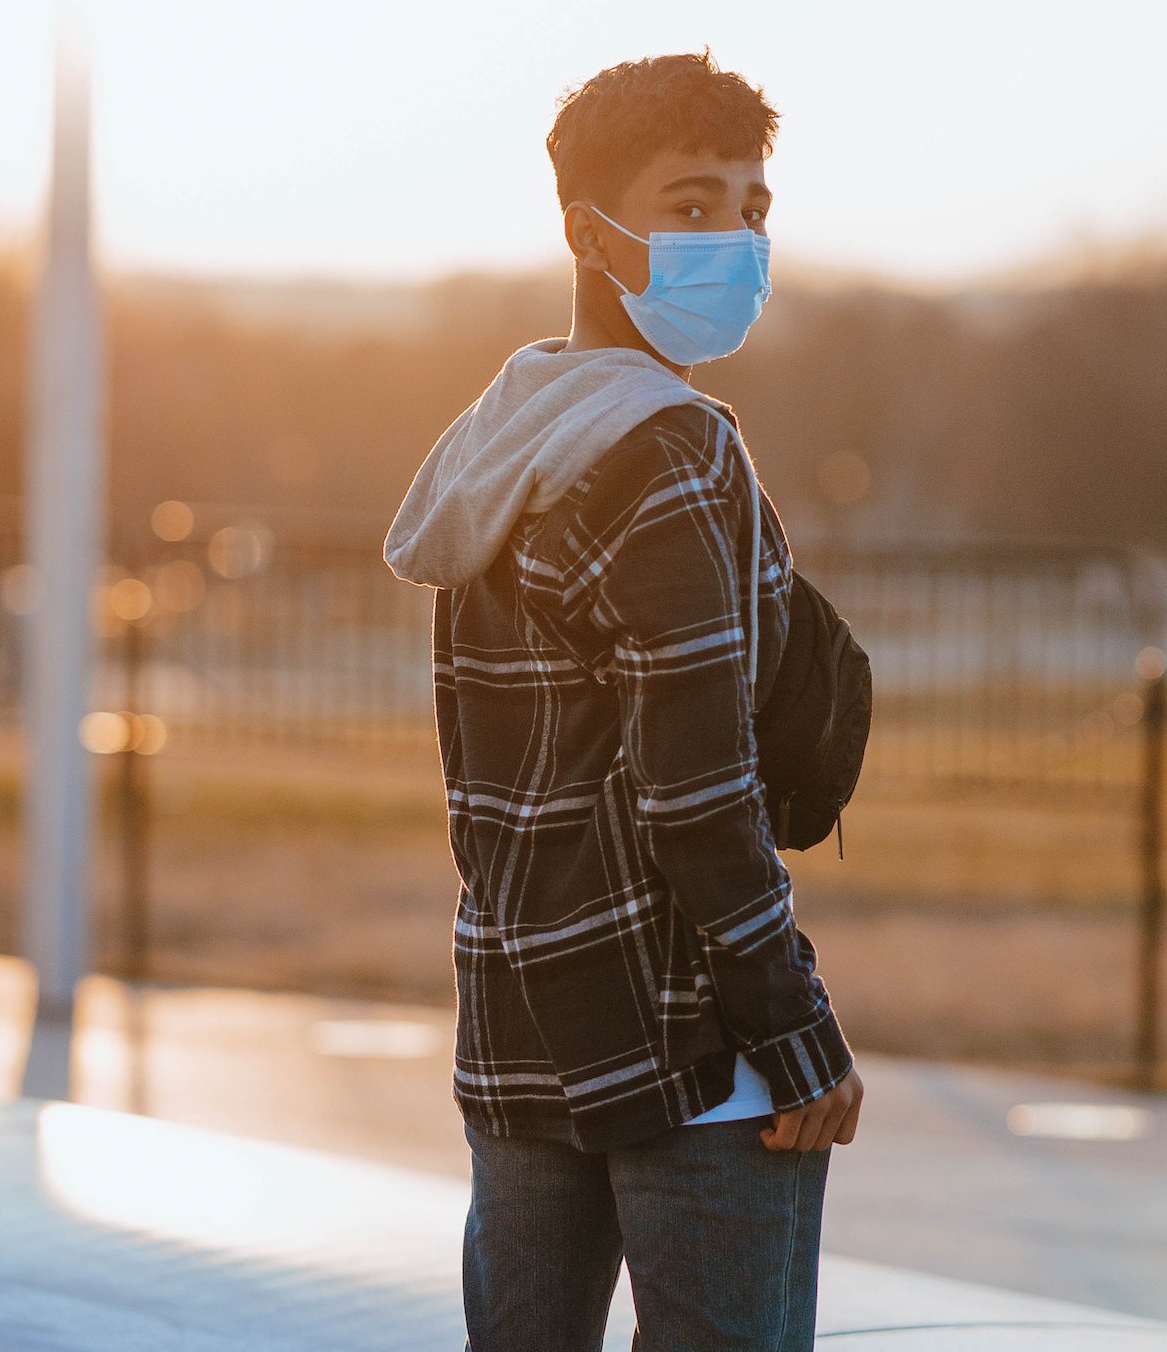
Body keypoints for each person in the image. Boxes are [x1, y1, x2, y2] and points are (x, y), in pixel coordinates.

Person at [384, 47, 863, 1352]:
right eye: (693, 205)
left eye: (752, 208)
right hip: (684, 1036)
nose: (736, 240)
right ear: (592, 233)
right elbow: (698, 790)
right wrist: (797, 1028)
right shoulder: (672, 446)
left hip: (518, 1006)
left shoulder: (505, 441)